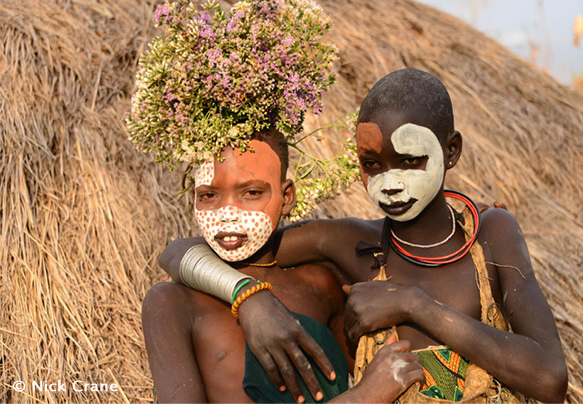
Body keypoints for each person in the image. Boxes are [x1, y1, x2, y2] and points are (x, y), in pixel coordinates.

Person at [159, 69, 568, 403]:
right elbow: (185, 251)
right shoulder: (349, 243)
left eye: (410, 161)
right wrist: (247, 298)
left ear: (452, 151)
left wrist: (413, 305)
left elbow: (549, 379)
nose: (389, 182)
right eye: (372, 163)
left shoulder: (489, 233)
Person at [142, 128, 425, 403]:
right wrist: (363, 398)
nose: (227, 215)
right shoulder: (173, 303)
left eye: (251, 193)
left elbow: (376, 373)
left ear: (287, 197)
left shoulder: (320, 285)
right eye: (208, 195)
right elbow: (370, 391)